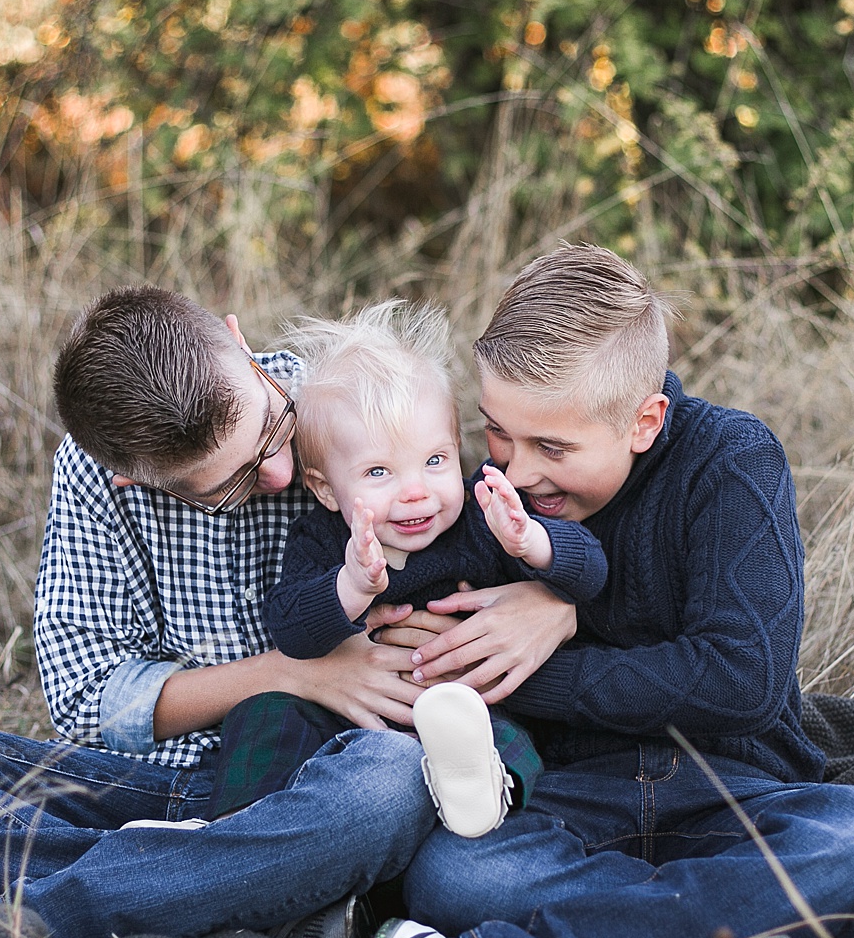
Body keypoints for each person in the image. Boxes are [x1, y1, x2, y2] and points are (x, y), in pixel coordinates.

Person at [0, 287, 576, 938]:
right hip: (159, 788)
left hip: (322, 774)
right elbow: (86, 694)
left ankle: (18, 914)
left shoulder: (351, 404)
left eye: (268, 430)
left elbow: (536, 497)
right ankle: (198, 886)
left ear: (235, 342)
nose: (282, 474)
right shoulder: (99, 480)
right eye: (226, 485)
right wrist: (289, 672)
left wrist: (557, 601)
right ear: (133, 476)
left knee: (389, 784)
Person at [341, 245, 854, 938]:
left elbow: (741, 678)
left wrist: (538, 653)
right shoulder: (490, 490)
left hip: (736, 790)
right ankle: (839, 935)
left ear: (643, 421)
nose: (518, 470)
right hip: (576, 799)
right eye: (498, 434)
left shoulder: (731, 461)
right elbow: (419, 623)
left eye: (554, 448)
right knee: (454, 875)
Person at [215, 301, 607, 835]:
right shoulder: (325, 539)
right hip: (350, 709)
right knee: (264, 714)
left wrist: (533, 542)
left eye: (435, 460)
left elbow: (592, 572)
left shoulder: (482, 513)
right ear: (327, 489)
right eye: (380, 471)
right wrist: (350, 586)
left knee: (507, 729)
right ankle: (236, 828)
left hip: (462, 704)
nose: (416, 490)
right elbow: (289, 630)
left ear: (459, 450)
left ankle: (487, 792)